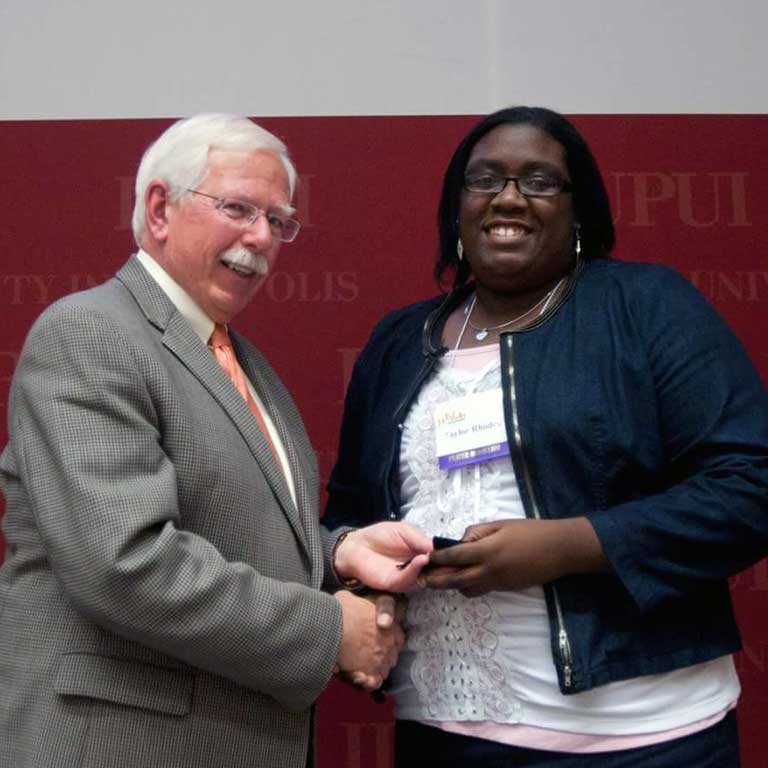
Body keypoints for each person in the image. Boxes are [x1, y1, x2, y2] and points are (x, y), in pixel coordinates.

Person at [323, 106, 768, 767]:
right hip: (444, 731)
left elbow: (751, 487)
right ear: (457, 208)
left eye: (538, 180)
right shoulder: (397, 342)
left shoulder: (645, 307)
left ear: (578, 206)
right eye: (486, 179)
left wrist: (573, 544)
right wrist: (370, 586)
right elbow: (352, 514)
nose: (508, 196)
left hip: (640, 739)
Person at [0, 113, 431, 768]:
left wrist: (339, 552)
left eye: (279, 221)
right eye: (238, 208)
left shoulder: (248, 366)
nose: (260, 237)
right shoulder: (89, 334)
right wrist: (330, 632)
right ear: (159, 209)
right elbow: (126, 563)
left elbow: (229, 531)